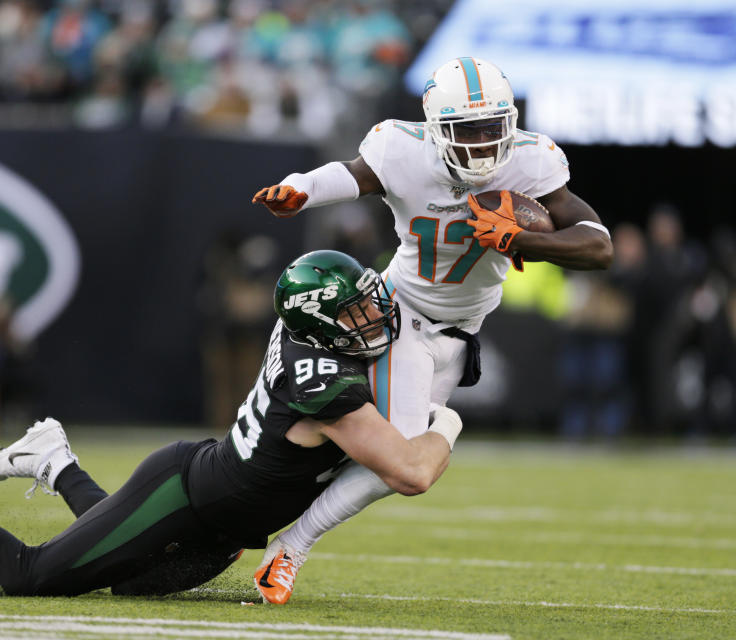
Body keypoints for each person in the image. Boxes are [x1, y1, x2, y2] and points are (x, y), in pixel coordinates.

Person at [0, 250, 463, 599]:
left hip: (217, 522)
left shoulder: (310, 339)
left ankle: (54, 461)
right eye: (357, 315)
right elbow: (410, 470)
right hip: (186, 499)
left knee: (123, 579)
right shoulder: (322, 380)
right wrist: (448, 420)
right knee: (31, 575)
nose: (375, 322)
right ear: (322, 325)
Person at [251, 56, 613, 603]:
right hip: (398, 316)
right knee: (397, 461)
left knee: (378, 458)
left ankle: (260, 529)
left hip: (462, 330)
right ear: (434, 128)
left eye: (493, 127)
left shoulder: (532, 161)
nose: (483, 143)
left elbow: (597, 243)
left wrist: (520, 240)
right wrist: (299, 186)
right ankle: (289, 547)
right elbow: (351, 175)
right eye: (467, 130)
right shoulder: (402, 150)